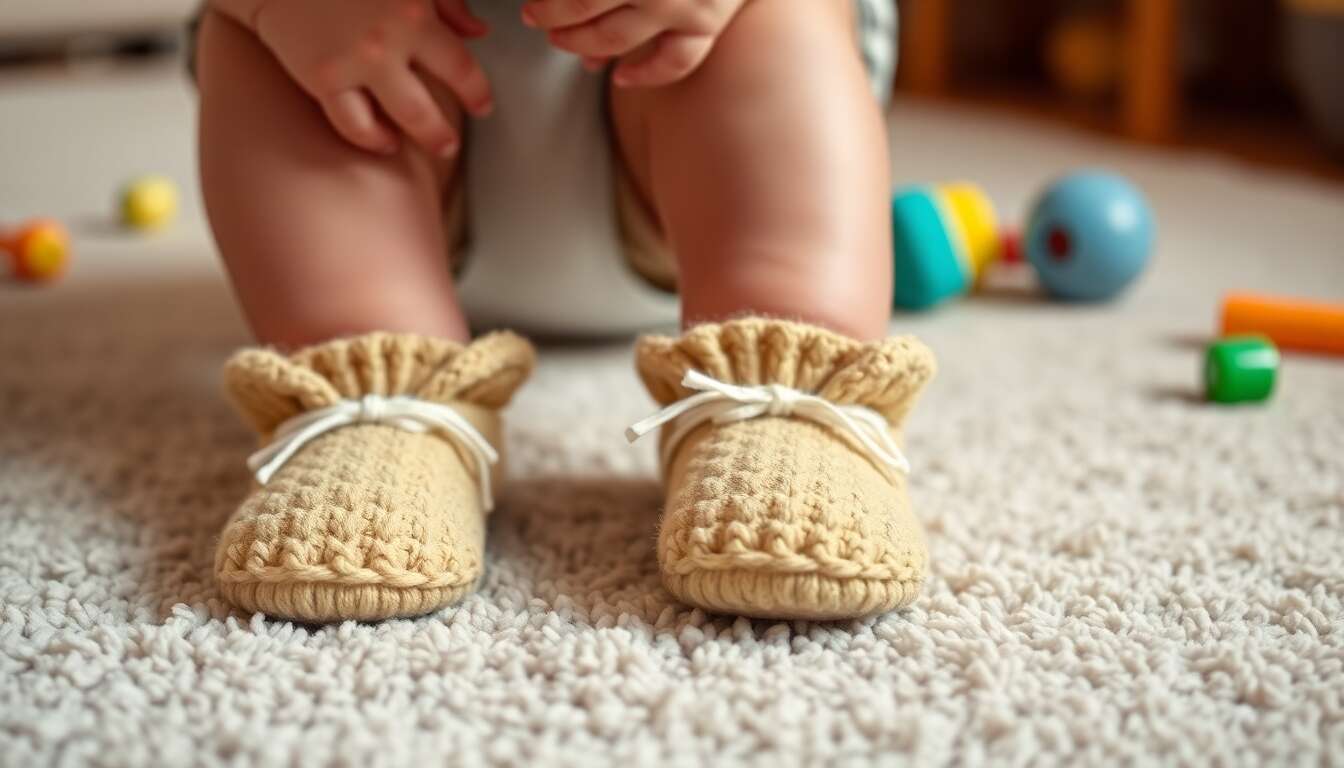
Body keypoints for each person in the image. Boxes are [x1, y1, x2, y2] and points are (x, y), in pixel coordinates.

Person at [196, 0, 936, 624]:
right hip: (374, 97)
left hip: (697, 134)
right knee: (265, 31)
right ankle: (372, 383)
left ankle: (790, 379)